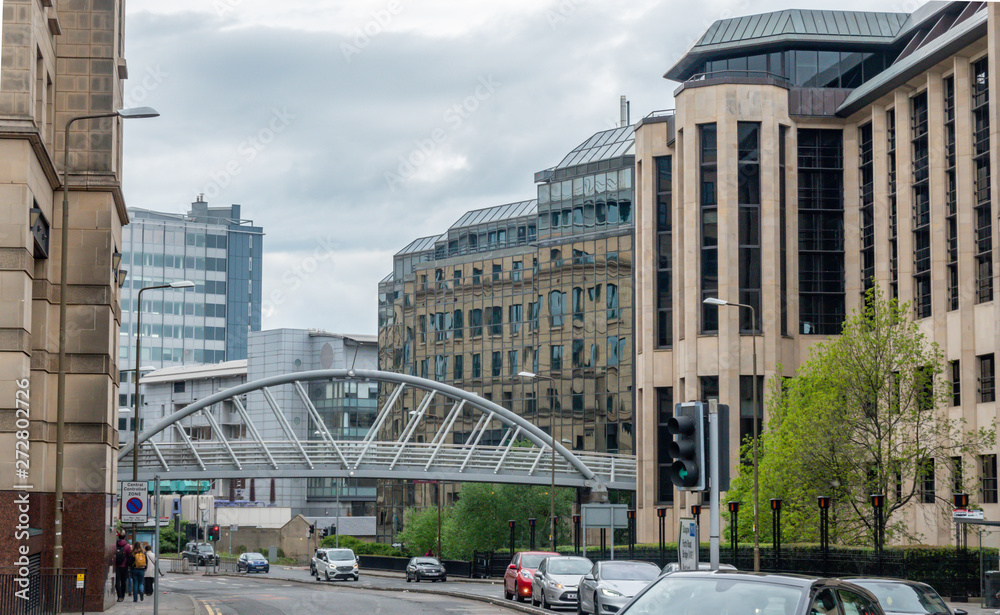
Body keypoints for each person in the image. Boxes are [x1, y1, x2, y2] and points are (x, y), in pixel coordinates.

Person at [113, 533, 132, 602]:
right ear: (124, 538)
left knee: (117, 581)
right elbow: (130, 555)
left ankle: (119, 596)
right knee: (123, 581)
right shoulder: (127, 546)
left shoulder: (115, 545)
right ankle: (123, 596)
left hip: (117, 565)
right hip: (124, 566)